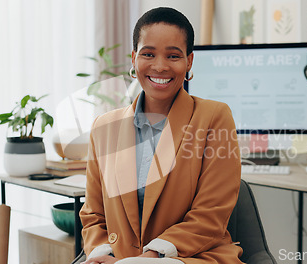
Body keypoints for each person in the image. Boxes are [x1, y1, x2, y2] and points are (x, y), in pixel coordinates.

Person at [80, 7, 243, 264]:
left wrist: (148, 258)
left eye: (173, 56)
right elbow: (93, 215)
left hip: (192, 257)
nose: (160, 66)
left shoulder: (214, 117)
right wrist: (103, 254)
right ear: (134, 58)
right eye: (148, 54)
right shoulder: (104, 128)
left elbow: (211, 215)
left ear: (189, 62)